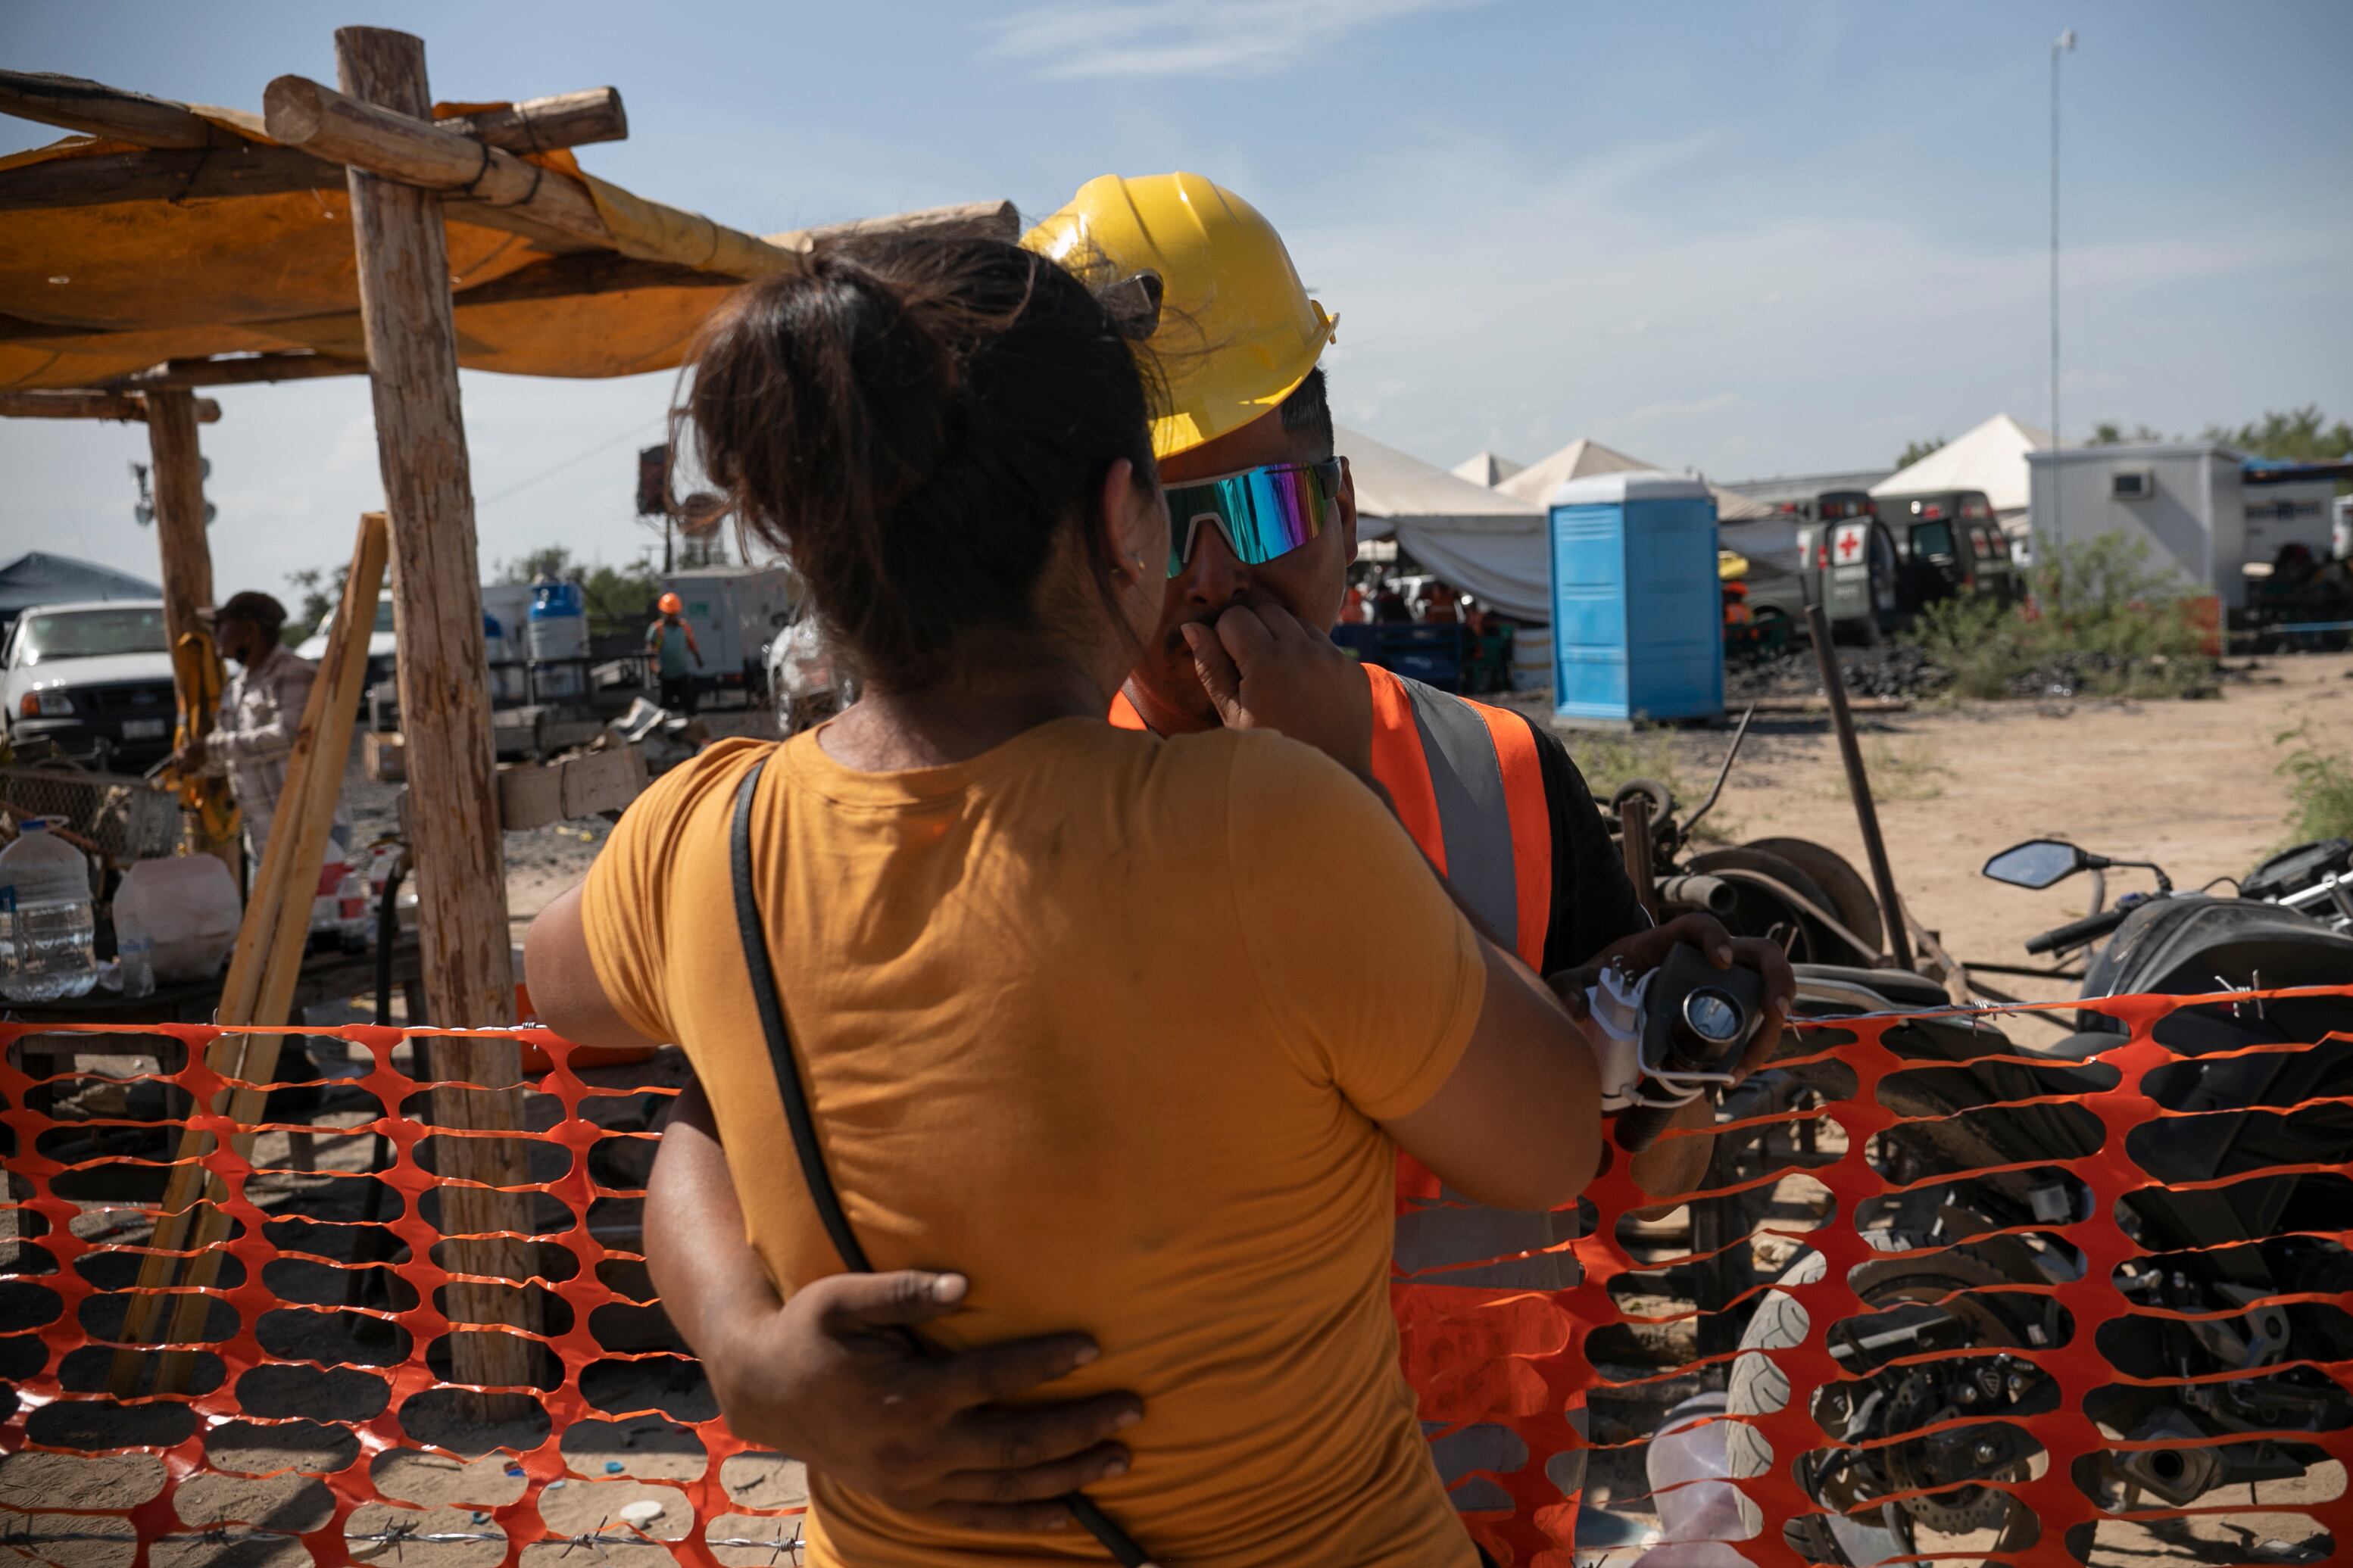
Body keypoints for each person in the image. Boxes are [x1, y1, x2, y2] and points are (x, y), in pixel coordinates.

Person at [635, 173, 1793, 1547]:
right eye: (1171, 519)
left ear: (1344, 513)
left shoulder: (1501, 775)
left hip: (1478, 1488)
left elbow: (1622, 1171)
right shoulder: (981, 806)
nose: (1207, 579)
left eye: (1252, 515)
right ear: (1099, 531)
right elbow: (715, 1105)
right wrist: (735, 1336)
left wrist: (1676, 1060)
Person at [173, 589, 349, 863]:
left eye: (221, 626)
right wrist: (198, 762)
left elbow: (292, 737)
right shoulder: (238, 687)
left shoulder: (293, 674)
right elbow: (233, 753)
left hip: (308, 831)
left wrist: (209, 747)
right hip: (264, 838)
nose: (215, 634)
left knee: (319, 907)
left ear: (249, 630)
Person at [646, 591, 704, 714]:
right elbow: (650, 652)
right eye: (669, 614)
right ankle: (663, 730)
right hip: (665, 675)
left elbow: (692, 645)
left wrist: (698, 658)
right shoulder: (657, 629)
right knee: (664, 707)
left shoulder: (684, 628)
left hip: (681, 673)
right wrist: (656, 669)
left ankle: (692, 728)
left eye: (673, 614)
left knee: (689, 704)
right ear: (663, 612)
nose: (671, 616)